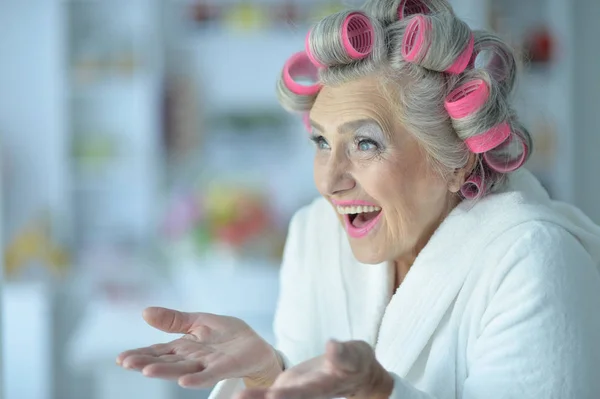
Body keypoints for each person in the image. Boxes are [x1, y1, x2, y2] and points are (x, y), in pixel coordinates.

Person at [116, 0, 600, 398]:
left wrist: (380, 393)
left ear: (457, 160)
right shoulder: (315, 235)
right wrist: (268, 375)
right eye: (322, 142)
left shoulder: (534, 261)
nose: (329, 181)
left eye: (366, 143)